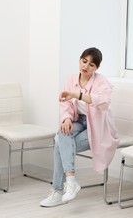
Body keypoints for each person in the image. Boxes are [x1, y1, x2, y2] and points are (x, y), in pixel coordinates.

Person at [40, 47, 119, 207]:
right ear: (80, 60)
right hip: (78, 121)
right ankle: (70, 181)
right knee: (62, 133)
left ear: (96, 68)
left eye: (92, 65)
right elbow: (66, 103)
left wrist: (77, 94)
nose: (86, 66)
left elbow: (103, 102)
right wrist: (67, 119)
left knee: (60, 145)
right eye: (84, 61)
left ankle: (58, 191)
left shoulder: (101, 82)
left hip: (97, 128)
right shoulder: (71, 78)